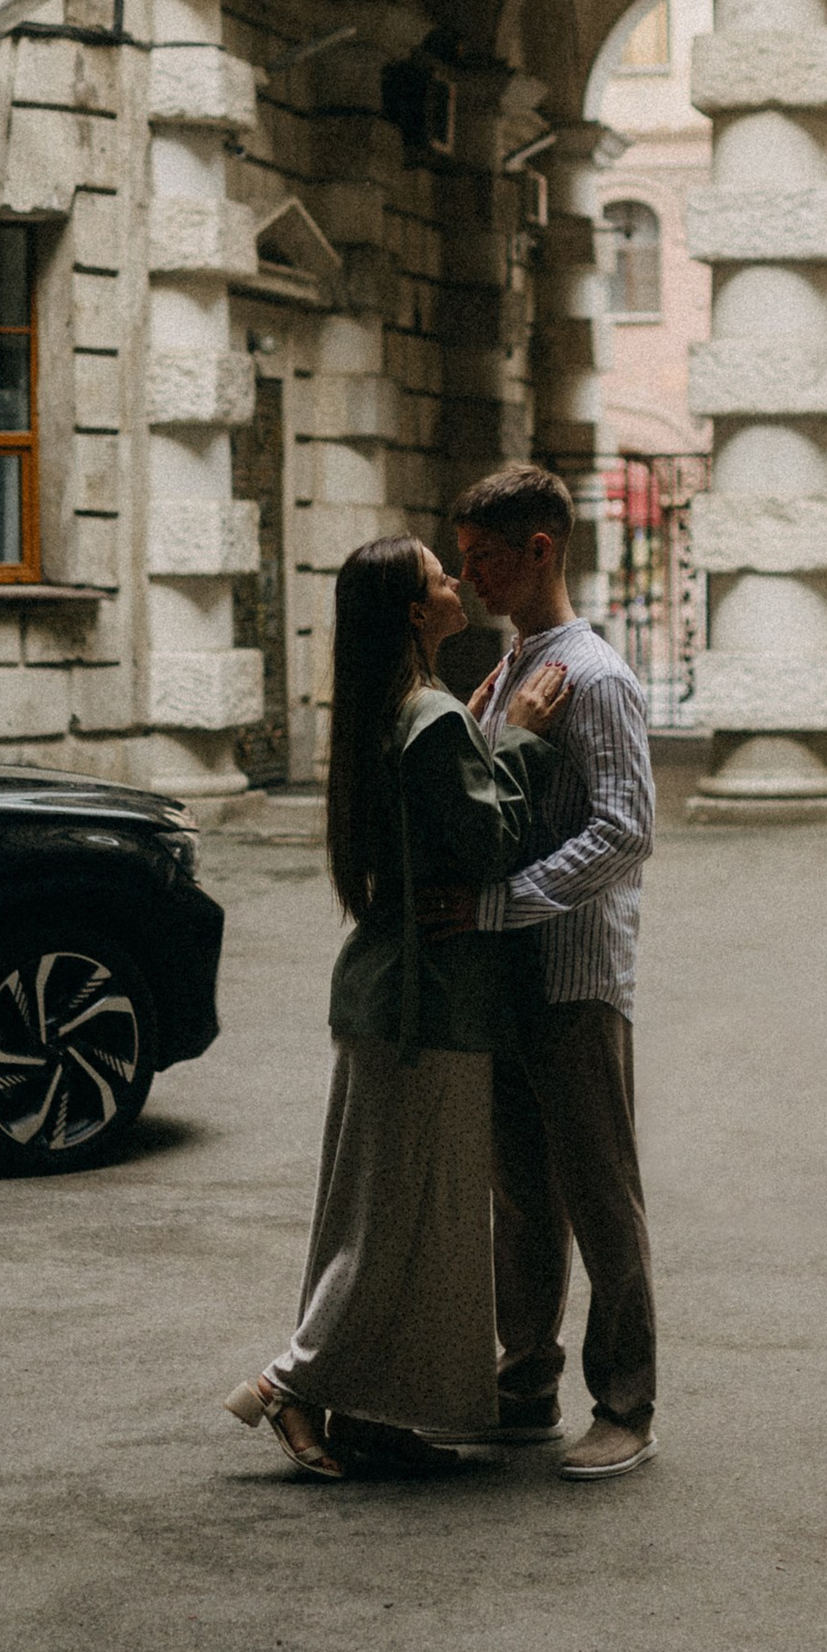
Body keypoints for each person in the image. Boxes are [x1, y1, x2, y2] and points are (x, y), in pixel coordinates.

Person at [225, 535, 571, 1479]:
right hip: (428, 1010)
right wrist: (527, 740)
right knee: (402, 1224)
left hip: (389, 997)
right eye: (437, 577)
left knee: (392, 1218)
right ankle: (290, 1386)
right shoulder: (431, 715)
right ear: (418, 612)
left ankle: (375, 1414)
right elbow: (491, 841)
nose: (458, 581)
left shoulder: (381, 710)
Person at [429, 460, 660, 1481]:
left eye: (487, 559)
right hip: (505, 975)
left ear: (541, 550)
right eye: (463, 559)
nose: (472, 578)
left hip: (570, 976)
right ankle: (523, 1384)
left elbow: (625, 829)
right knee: (521, 1195)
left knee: (600, 1197)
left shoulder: (595, 676)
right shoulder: (514, 663)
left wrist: (499, 906)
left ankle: (625, 1406)